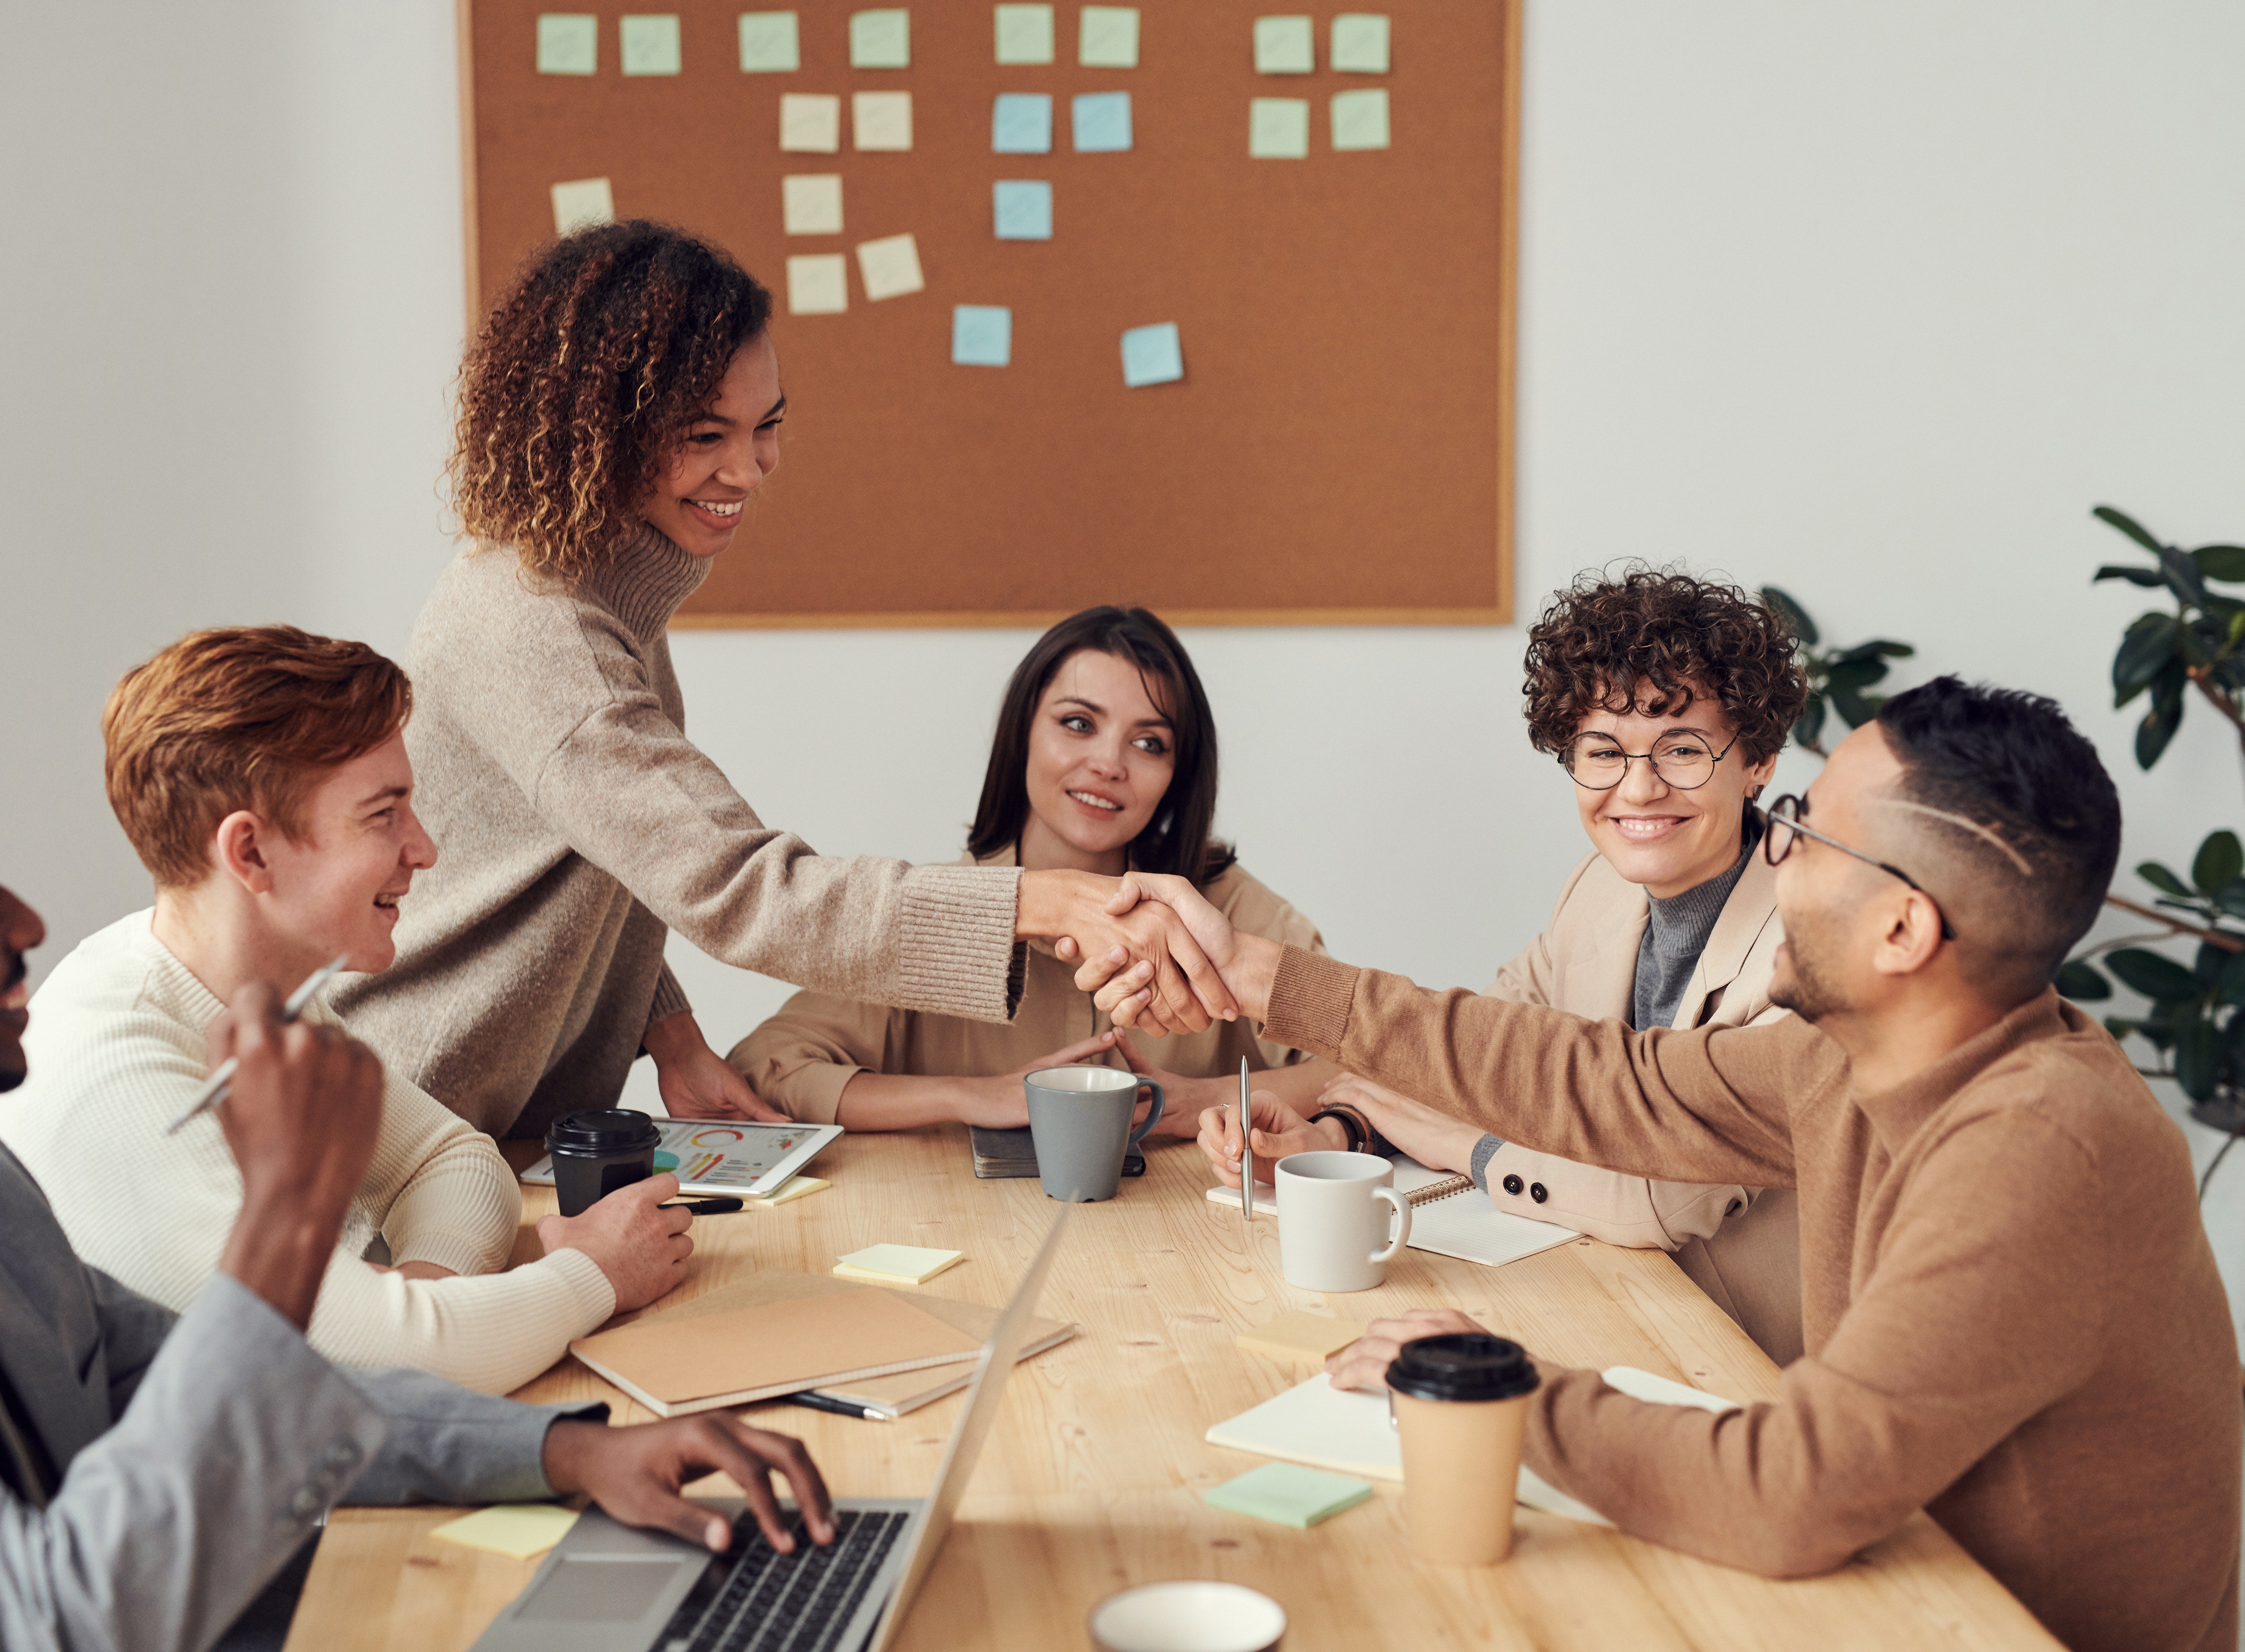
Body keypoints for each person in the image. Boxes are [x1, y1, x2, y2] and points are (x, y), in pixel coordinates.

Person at [1089, 676, 2240, 1652]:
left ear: (1903, 931)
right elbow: (1605, 1082)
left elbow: (1791, 1491)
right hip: (1892, 1583)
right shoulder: (1853, 1057)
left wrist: (1506, 1392)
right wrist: (1263, 977)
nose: (1770, 854)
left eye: (1802, 831)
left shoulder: (2042, 1148)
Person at [0, 687, 833, 1652]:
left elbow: (225, 1388)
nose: (28, 923)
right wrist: (287, 1212)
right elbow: (46, 1622)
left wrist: (565, 1453)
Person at [330, 219, 1238, 1141]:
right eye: (705, 434)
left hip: (499, 1128)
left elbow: (609, 854)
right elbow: (743, 886)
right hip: (409, 1124)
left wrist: (671, 1034)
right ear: (601, 433)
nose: (750, 467)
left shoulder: (597, 589)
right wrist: (1034, 900)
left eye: (768, 425)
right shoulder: (544, 631)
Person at [0, 628, 689, 1395]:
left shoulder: (253, 990)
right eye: (383, 816)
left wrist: (420, 1307)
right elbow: (369, 1375)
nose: (424, 850)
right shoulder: (120, 1076)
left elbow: (454, 1162)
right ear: (249, 854)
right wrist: (592, 1273)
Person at [1201, 569, 1810, 1360]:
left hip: (1749, 1357)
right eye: (1603, 752)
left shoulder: (1808, 944)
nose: (1639, 788)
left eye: (1683, 750)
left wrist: (1470, 1150)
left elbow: (1664, 1199)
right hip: (1607, 1302)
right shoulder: (1598, 890)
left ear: (1757, 759)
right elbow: (1479, 1056)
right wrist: (1340, 1131)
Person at [727, 607, 1334, 1133]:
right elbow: (765, 1067)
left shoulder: (1231, 912)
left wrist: (1213, 1098)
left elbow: (1373, 1068)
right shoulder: (936, 914)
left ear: (1178, 777)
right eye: (1078, 724)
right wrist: (970, 1095)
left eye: (1149, 743)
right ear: (1023, 735)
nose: (1108, 764)